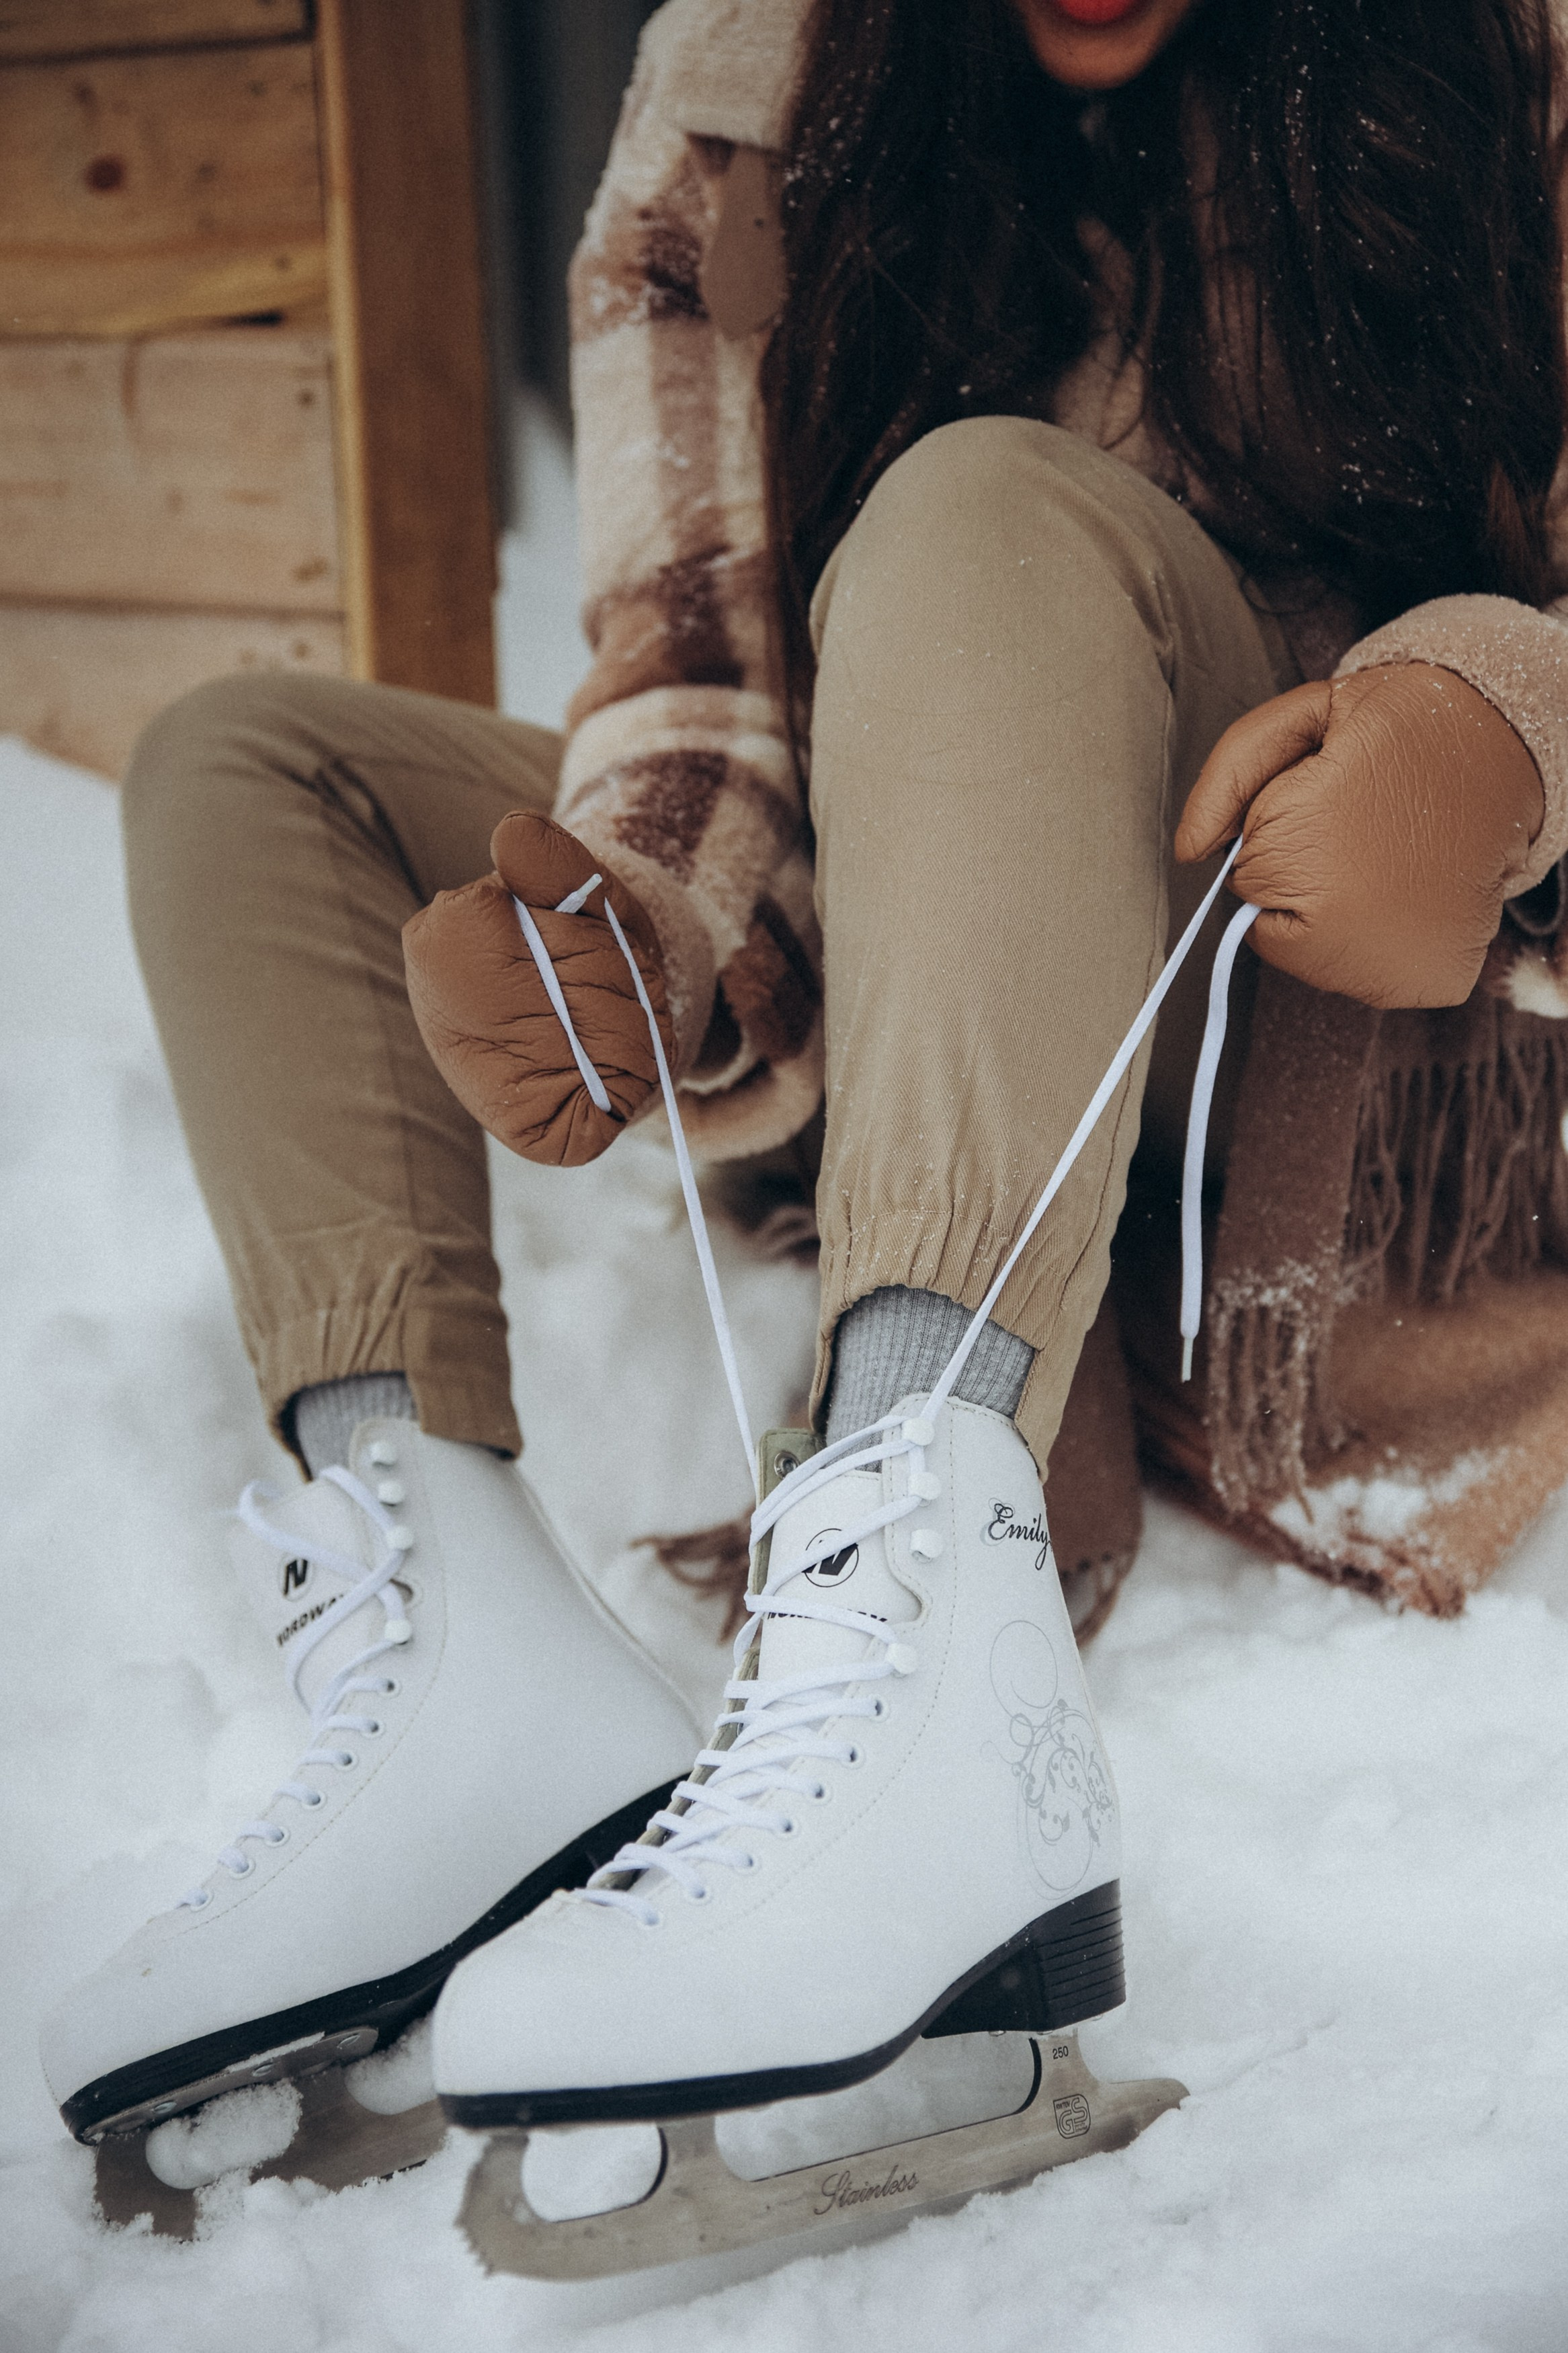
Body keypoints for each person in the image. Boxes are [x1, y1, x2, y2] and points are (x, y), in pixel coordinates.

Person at [42, 0, 1568, 2210]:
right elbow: (712, 692)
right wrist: (646, 946)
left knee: (972, 503)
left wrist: (1512, 742)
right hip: (924, 880)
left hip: (1316, 938)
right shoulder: (749, 89)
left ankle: (934, 1614)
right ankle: (462, 1664)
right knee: (247, 769)